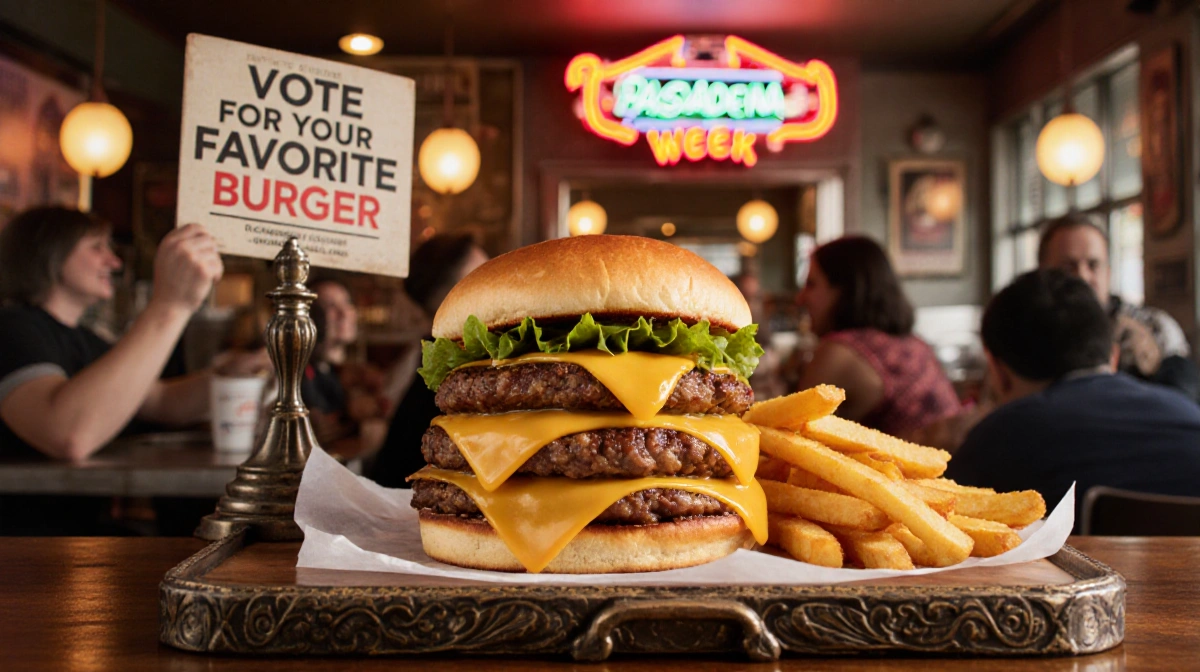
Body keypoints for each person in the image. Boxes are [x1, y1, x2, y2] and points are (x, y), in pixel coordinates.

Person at [0, 207, 268, 461]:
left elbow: (163, 401)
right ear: (50, 254)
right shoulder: (11, 329)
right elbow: (69, 435)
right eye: (97, 247)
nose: (114, 261)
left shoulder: (84, 338)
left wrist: (241, 370)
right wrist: (171, 304)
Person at [945, 270, 1200, 524]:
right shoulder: (1190, 414)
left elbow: (943, 523)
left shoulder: (994, 440)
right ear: (1113, 357)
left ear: (998, 371)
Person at [794, 236, 960, 438]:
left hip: (902, 469)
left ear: (845, 290)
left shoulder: (839, 352)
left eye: (811, 284)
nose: (800, 298)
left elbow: (792, 436)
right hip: (954, 466)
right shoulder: (916, 344)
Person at [368, 234, 487, 488]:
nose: (497, 285)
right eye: (483, 278)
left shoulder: (428, 359)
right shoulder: (448, 377)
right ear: (450, 298)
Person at [1038, 212, 1198, 400]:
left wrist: (1154, 367)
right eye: (1068, 266)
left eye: (1093, 264)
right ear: (1042, 273)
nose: (1082, 276)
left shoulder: (1156, 327)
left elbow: (1185, 404)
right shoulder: (1024, 332)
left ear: (1108, 272)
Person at [302, 278, 389, 460]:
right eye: (330, 306)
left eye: (347, 303)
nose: (343, 313)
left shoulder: (360, 374)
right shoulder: (304, 372)